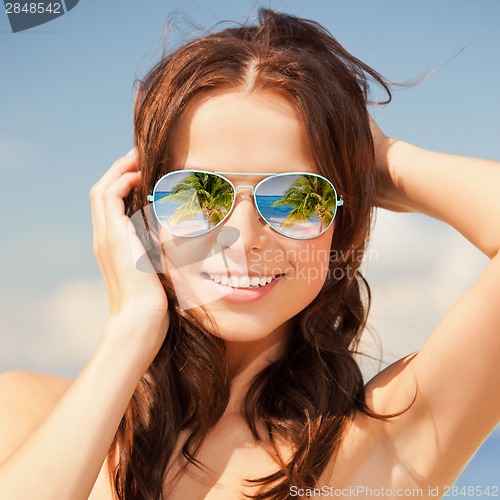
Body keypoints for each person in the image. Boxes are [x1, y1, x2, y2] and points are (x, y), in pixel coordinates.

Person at [0, 9, 499, 500]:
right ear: (141, 214)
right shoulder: (24, 412)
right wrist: (131, 331)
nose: (243, 236)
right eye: (196, 193)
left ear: (340, 222)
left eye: (297, 197)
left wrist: (383, 162)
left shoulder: (386, 444)